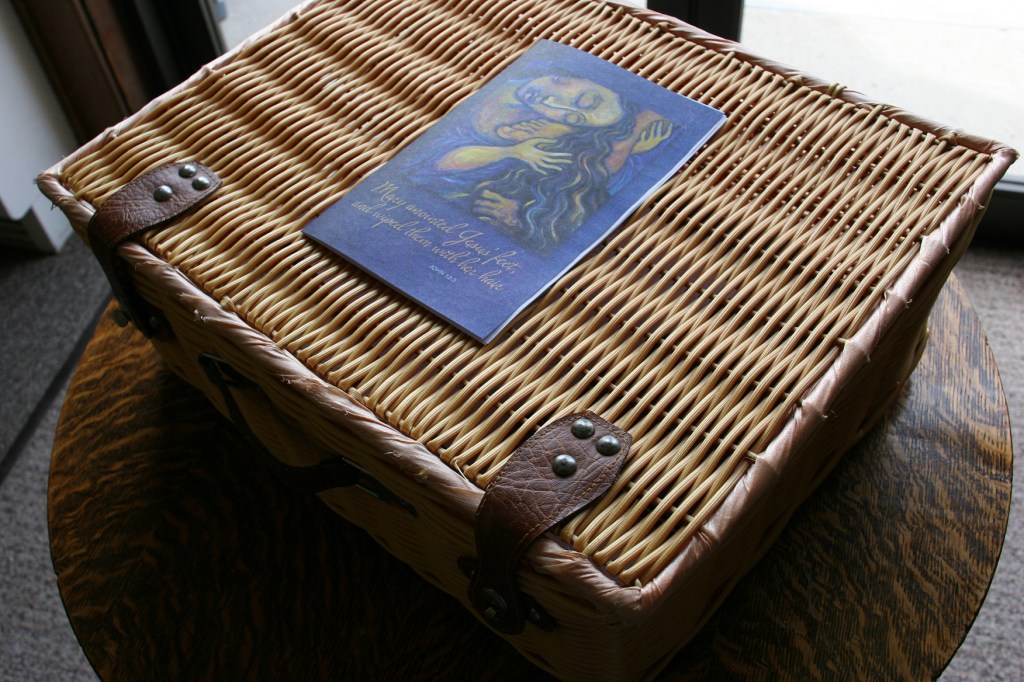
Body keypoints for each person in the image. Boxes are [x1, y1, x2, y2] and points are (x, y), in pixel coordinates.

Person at [424, 73, 673, 254]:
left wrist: (521, 223)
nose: (552, 106)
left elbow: (571, 216)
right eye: (586, 100)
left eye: (571, 118)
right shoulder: (500, 113)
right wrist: (513, 151)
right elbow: (440, 165)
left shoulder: (563, 161)